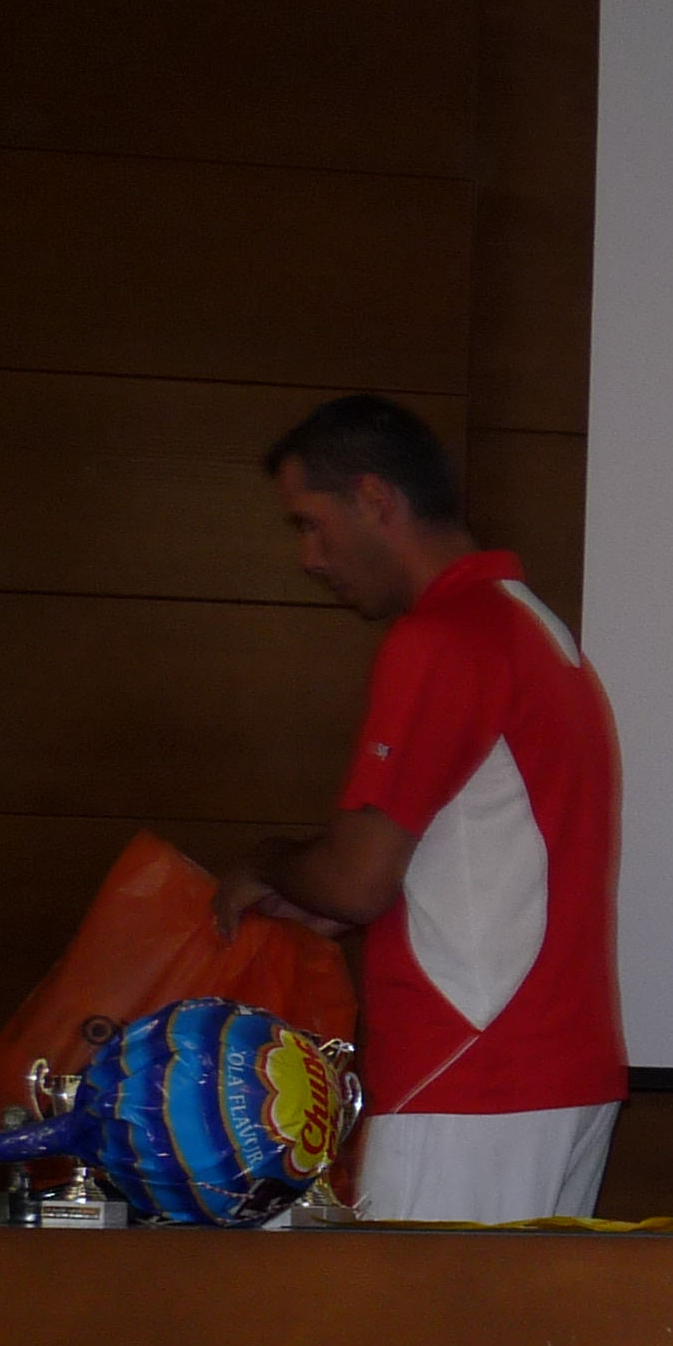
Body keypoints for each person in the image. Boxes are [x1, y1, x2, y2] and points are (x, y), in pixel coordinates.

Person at [212, 396, 625, 1221]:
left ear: (374, 498)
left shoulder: (446, 635)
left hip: (471, 1076)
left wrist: (268, 862)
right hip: (550, 1072)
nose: (308, 557)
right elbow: (474, 856)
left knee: (416, 1314)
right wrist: (325, 893)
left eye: (311, 523)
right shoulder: (534, 628)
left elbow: (357, 880)